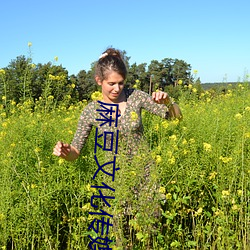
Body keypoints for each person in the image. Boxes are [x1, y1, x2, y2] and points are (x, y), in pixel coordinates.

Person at [53, 47, 182, 247]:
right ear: (99, 81)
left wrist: (169, 102)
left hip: (145, 176)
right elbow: (76, 151)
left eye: (121, 83)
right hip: (113, 181)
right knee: (120, 238)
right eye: (111, 83)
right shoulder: (91, 111)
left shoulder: (135, 97)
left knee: (150, 234)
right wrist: (65, 152)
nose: (117, 88)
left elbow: (175, 118)